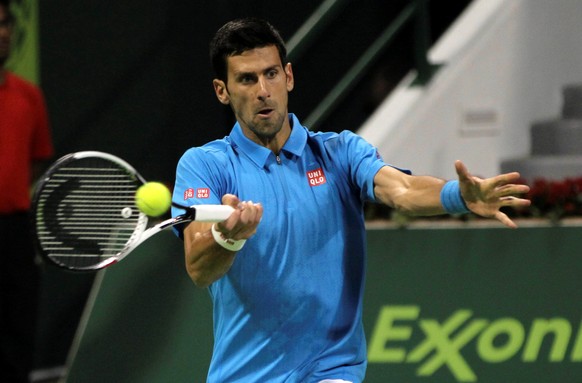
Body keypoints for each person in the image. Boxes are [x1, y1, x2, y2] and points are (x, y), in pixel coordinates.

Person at [171, 18, 530, 383]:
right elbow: (200, 267)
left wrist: (458, 195)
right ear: (222, 90)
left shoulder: (339, 152)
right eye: (247, 79)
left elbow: (400, 190)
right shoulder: (205, 165)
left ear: (289, 77)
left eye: (271, 74)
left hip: (331, 370)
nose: (264, 90)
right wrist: (228, 237)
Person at [0, 1, 54, 381]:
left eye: (5, 24)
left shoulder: (28, 96)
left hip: (14, 233)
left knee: (16, 333)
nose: (2, 33)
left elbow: (36, 161)